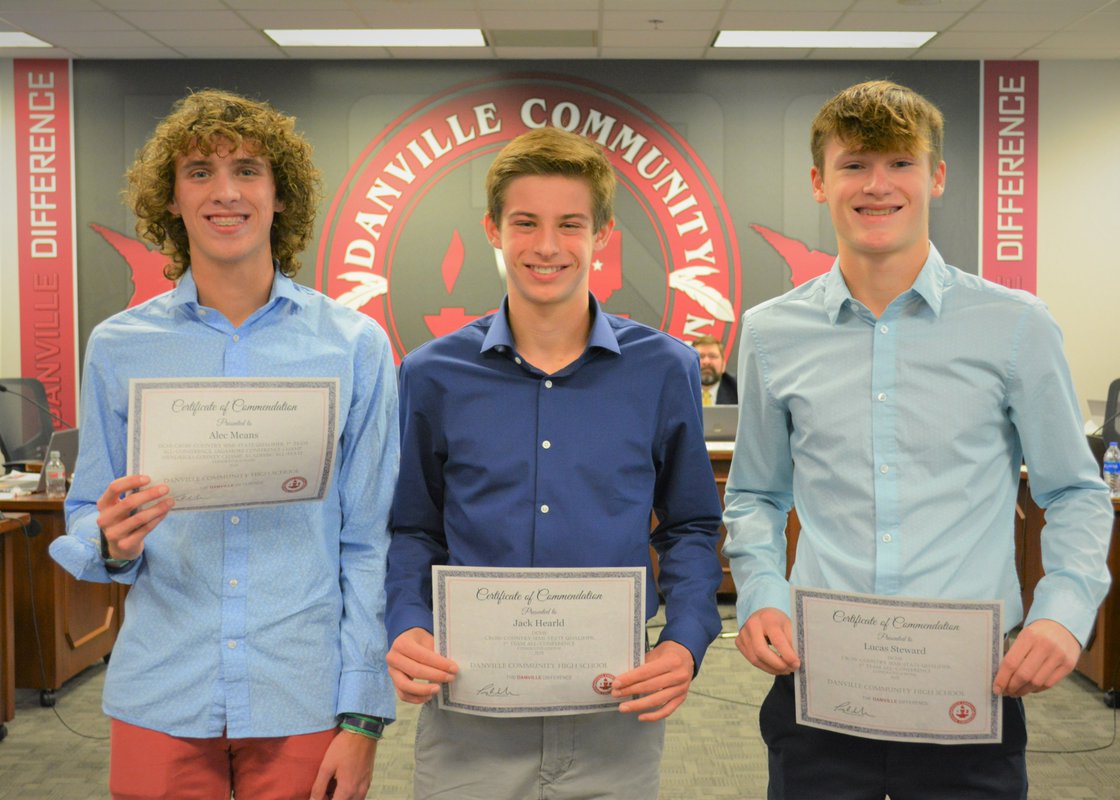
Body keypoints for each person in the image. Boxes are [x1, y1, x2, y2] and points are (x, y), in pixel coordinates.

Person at [723, 80, 1113, 799]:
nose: (878, 185)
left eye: (900, 163)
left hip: (970, 686)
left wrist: (1065, 610)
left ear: (936, 177)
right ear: (819, 182)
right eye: (854, 164)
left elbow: (1073, 492)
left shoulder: (1016, 325)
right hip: (819, 681)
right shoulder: (771, 332)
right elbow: (755, 493)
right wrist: (761, 594)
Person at [49, 89, 399, 800]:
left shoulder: (355, 346)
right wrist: (111, 541)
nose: (226, 192)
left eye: (247, 170)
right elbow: (87, 511)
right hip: (163, 685)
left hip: (301, 687)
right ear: (171, 199)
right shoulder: (118, 346)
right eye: (200, 172)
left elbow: (369, 542)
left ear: (279, 195)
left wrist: (364, 714)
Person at [384, 126, 723, 800]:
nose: (546, 246)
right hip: (469, 717)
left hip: (614, 714)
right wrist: (407, 622)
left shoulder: (664, 368)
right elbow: (412, 528)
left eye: (570, 224)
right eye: (525, 223)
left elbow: (689, 526)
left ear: (602, 234)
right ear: (493, 229)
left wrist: (685, 638)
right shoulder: (431, 374)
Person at [692, 334, 738, 405]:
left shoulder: (737, 390)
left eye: (712, 356)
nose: (707, 362)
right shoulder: (679, 390)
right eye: (700, 356)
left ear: (723, 365)